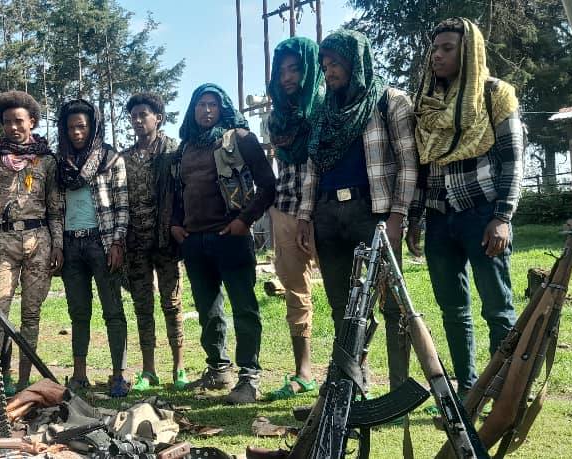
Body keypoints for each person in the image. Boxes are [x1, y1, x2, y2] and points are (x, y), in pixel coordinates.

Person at [295, 30, 418, 394]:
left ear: (356, 62)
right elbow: (312, 167)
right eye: (325, 66)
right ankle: (351, 385)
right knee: (342, 307)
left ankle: (398, 389)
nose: (329, 71)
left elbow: (408, 163)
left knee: (393, 305)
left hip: (373, 213)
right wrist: (305, 216)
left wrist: (397, 217)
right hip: (328, 215)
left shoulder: (389, 101)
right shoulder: (324, 111)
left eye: (336, 63)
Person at [407, 17, 524, 397]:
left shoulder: (495, 95)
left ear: (469, 52)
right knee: (453, 310)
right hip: (439, 220)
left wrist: (502, 217)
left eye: (447, 48)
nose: (436, 56)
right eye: (434, 49)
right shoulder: (427, 105)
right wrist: (415, 220)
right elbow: (422, 168)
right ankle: (468, 390)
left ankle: (503, 391)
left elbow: (513, 160)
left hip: (483, 216)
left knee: (497, 307)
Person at [170, 83, 277, 404]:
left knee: (244, 307)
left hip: (231, 237)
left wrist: (245, 220)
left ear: (222, 108)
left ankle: (249, 378)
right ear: (192, 110)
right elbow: (178, 191)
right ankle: (218, 369)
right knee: (207, 310)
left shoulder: (240, 139)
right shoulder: (185, 148)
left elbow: (268, 185)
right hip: (195, 241)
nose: (206, 110)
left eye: (212, 105)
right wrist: (175, 224)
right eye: (200, 104)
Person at [0, 91, 63, 392]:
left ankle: (25, 381)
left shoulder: (47, 159)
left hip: (39, 243)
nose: (13, 127)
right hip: (2, 241)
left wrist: (58, 245)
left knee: (31, 315)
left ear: (32, 122)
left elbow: (55, 207)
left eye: (19, 121)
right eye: (7, 121)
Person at [262, 37, 323, 401]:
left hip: (325, 211)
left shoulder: (327, 109)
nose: (286, 77)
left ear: (309, 69)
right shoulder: (276, 118)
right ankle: (303, 372)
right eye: (281, 70)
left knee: (346, 291)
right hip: (285, 207)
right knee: (295, 293)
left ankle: (352, 370)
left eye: (295, 69)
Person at [56, 99, 130, 397]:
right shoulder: (59, 163)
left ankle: (119, 375)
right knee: (78, 312)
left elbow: (122, 204)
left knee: (113, 310)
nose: (76, 132)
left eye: (82, 127)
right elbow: (55, 208)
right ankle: (79, 375)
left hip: (103, 242)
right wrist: (58, 245)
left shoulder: (110, 158)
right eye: (71, 127)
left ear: (93, 127)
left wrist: (117, 242)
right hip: (71, 244)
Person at [120, 93, 187, 392]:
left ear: (158, 118)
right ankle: (149, 370)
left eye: (143, 114)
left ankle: (179, 367)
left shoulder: (174, 151)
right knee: (142, 307)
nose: (137, 120)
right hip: (136, 243)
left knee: (172, 303)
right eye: (133, 115)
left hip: (166, 241)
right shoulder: (124, 158)